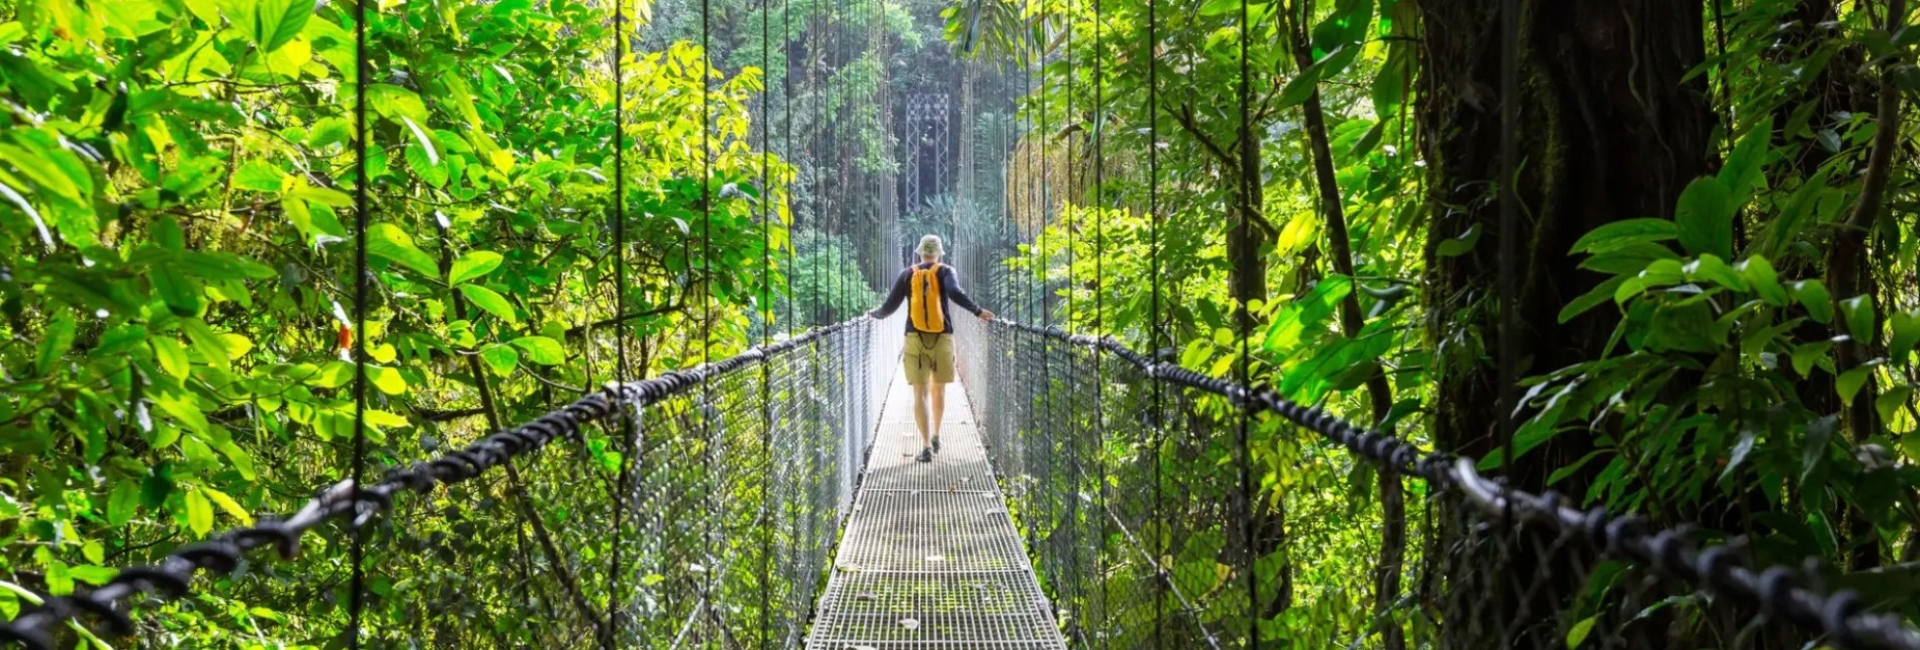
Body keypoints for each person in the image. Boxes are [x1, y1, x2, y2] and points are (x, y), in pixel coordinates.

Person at [867, 235, 994, 463]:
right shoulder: (945, 271)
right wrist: (977, 311)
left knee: (919, 393)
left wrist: (874, 315)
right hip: (942, 336)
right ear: (939, 253)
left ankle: (925, 446)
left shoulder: (907, 274)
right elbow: (954, 294)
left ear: (919, 253)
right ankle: (936, 436)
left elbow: (890, 306)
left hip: (914, 337)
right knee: (939, 390)